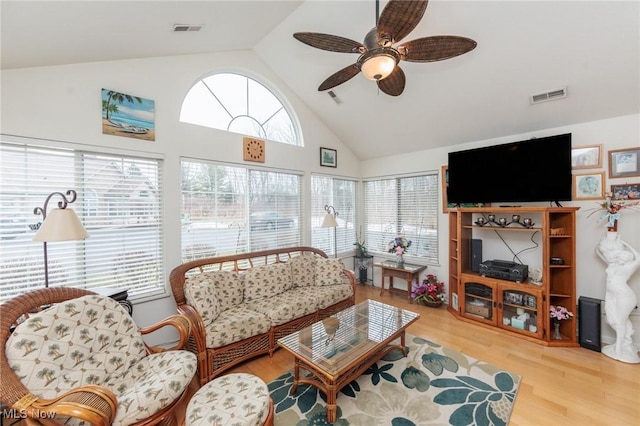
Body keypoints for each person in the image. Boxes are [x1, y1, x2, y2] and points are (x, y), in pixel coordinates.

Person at [595, 233, 640, 363]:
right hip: (611, 294)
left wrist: (626, 245)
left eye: (622, 258)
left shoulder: (628, 267)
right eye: (619, 257)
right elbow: (598, 252)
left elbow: (638, 258)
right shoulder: (612, 264)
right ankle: (626, 342)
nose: (620, 259)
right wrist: (602, 244)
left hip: (624, 296)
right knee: (611, 319)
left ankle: (620, 348)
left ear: (626, 259)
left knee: (620, 322)